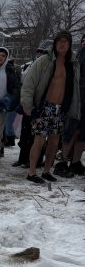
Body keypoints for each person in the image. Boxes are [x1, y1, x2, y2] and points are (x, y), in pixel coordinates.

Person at [21, 31, 80, 184]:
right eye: (59, 41)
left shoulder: (72, 64)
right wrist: (28, 105)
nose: (62, 44)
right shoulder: (44, 61)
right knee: (39, 140)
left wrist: (73, 108)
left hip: (61, 108)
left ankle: (47, 170)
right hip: (44, 106)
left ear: (69, 44)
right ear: (55, 43)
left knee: (54, 142)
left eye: (66, 42)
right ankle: (32, 172)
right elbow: (29, 83)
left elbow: (75, 89)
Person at [54, 34, 85, 177]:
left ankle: (75, 163)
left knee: (82, 134)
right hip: (79, 98)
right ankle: (63, 162)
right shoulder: (80, 54)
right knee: (71, 131)